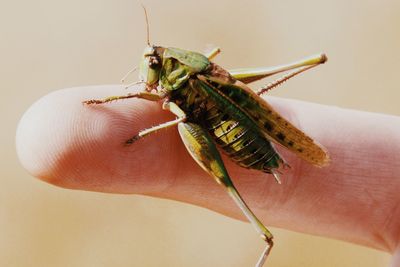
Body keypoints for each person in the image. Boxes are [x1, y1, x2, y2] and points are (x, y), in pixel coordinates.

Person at [16, 85, 400, 266]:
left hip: (226, 129)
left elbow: (174, 114)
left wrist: (139, 128)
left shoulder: (184, 84)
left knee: (185, 120)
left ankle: (263, 240)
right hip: (215, 117)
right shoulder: (180, 81)